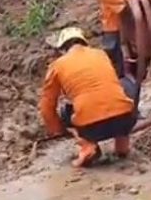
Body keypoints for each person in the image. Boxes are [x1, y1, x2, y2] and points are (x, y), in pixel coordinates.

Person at [39, 27, 140, 168]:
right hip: (125, 120)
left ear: (62, 49)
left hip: (91, 128)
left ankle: (87, 147)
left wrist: (57, 130)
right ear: (85, 42)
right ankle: (122, 147)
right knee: (122, 91)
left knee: (66, 110)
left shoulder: (57, 66)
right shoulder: (101, 54)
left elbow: (46, 107)